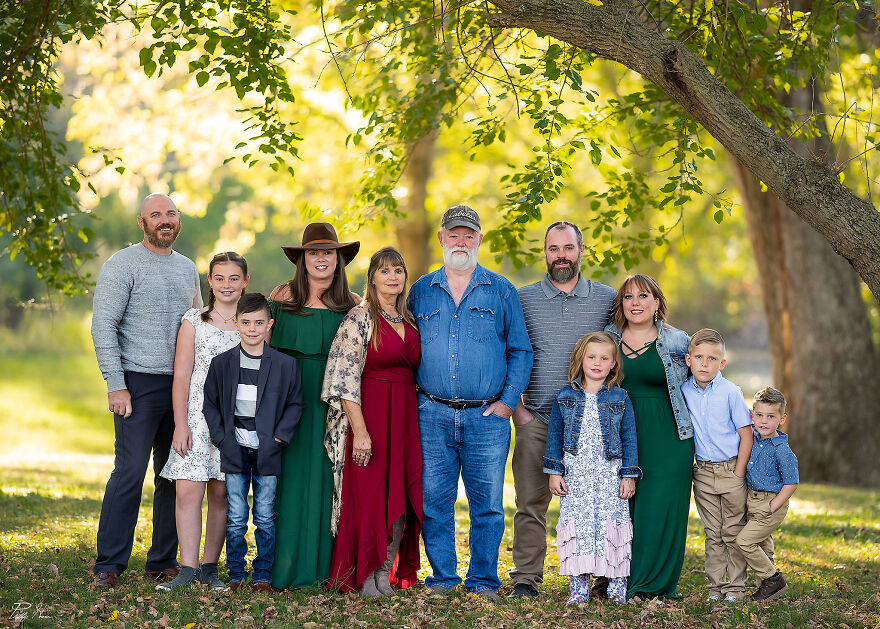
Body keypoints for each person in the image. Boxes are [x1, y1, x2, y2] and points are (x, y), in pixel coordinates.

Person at [406, 205, 533, 599]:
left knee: (489, 507)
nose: (461, 241)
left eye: (469, 235)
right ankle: (443, 579)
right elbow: (401, 342)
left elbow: (521, 351)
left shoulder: (501, 289)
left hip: (487, 416)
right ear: (442, 238)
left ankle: (482, 581)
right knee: (434, 503)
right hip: (432, 412)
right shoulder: (421, 290)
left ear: (479, 240)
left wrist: (509, 402)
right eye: (454, 234)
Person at [90, 193, 201, 588]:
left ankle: (162, 561)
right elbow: (103, 326)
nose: (164, 220)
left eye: (170, 214)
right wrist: (115, 384)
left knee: (174, 474)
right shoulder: (122, 264)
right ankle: (109, 564)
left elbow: (198, 326)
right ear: (142, 222)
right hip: (136, 384)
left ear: (178, 221)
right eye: (156, 215)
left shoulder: (188, 269)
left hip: (180, 385)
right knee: (130, 472)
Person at [510, 221, 616, 598]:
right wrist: (518, 409)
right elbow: (510, 352)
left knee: (600, 502)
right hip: (538, 419)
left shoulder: (607, 298)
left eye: (568, 248)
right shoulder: (522, 299)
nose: (561, 256)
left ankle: (604, 576)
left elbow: (638, 333)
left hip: (593, 425)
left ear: (581, 251)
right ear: (545, 253)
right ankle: (525, 578)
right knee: (530, 503)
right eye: (553, 249)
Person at [322, 247, 423, 596]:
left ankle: (384, 571)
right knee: (367, 498)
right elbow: (344, 380)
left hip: (405, 419)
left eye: (398, 270)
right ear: (373, 278)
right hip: (371, 419)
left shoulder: (410, 319)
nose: (392, 277)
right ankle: (364, 572)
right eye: (384, 271)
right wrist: (360, 432)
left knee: (402, 495)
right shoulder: (360, 318)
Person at [269, 223, 360, 589]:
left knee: (329, 483)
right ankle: (282, 569)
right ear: (302, 259)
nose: (321, 259)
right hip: (288, 403)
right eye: (313, 252)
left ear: (338, 260)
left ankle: (325, 570)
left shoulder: (352, 305)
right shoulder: (282, 299)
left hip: (335, 409)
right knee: (288, 484)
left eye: (328, 252)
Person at [156, 252, 249, 591]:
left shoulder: (250, 323)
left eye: (234, 278)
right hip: (196, 418)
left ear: (245, 282)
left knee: (223, 494)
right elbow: (181, 375)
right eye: (220, 278)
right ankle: (187, 569)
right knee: (187, 491)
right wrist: (181, 424)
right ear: (209, 281)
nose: (227, 285)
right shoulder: (193, 321)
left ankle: (210, 568)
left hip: (235, 422)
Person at [203, 293, 305, 591]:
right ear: (236, 324)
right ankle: (236, 574)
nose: (252, 329)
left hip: (268, 449)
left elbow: (296, 404)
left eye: (259, 323)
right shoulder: (222, 363)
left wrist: (278, 437)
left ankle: (262, 576)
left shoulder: (285, 365)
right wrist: (221, 438)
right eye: (245, 322)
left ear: (269, 325)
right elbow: (210, 404)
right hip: (233, 448)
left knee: (264, 514)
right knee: (235, 515)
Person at [604, 274, 693, 600]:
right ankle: (619, 581)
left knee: (659, 509)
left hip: (669, 437)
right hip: (619, 436)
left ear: (657, 303)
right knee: (623, 510)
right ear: (621, 305)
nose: (636, 303)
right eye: (628, 297)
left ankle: (652, 585)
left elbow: (704, 384)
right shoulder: (607, 339)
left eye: (644, 296)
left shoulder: (678, 341)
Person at [544, 332, 640, 605]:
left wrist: (628, 475)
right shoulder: (565, 396)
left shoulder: (620, 397)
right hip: (577, 474)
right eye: (591, 356)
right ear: (581, 359)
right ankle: (578, 591)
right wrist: (554, 471)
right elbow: (555, 436)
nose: (597, 363)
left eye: (604, 358)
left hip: (610, 474)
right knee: (579, 529)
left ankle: (616, 589)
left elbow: (629, 437)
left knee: (613, 528)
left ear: (613, 364)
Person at [682, 328, 754, 602]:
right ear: (688, 360)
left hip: (730, 470)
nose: (704, 363)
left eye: (712, 358)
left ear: (722, 363)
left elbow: (745, 433)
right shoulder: (684, 391)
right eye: (698, 357)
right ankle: (716, 588)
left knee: (733, 531)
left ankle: (735, 589)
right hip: (702, 472)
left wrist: (738, 472)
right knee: (713, 533)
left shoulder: (730, 391)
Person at [736, 386, 799, 602]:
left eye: (771, 416)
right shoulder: (752, 438)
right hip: (752, 499)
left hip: (771, 503)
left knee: (744, 541)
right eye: (759, 415)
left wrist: (773, 506)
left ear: (782, 419)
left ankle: (773, 579)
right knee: (763, 544)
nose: (764, 421)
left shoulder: (781, 449)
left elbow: (791, 483)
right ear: (752, 415)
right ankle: (767, 592)